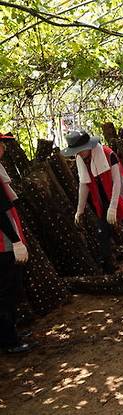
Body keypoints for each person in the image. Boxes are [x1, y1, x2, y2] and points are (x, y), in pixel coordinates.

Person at [62, 130, 123, 273]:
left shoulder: (109, 154)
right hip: (101, 199)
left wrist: (113, 207)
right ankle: (109, 266)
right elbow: (84, 184)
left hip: (121, 195)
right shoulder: (80, 159)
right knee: (102, 232)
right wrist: (80, 210)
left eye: (80, 150)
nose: (79, 153)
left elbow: (117, 181)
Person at [0, 135, 34, 354]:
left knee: (11, 289)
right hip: (2, 244)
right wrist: (15, 241)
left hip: (6, 241)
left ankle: (11, 332)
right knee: (5, 291)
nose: (3, 147)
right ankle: (9, 340)